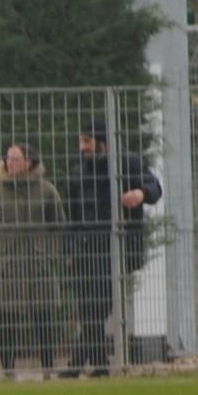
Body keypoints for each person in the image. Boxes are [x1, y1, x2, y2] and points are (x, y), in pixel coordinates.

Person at [61, 127, 159, 377]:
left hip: (117, 249)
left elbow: (154, 186)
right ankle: (100, 364)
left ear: (102, 143)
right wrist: (69, 247)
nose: (82, 147)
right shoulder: (78, 172)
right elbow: (72, 215)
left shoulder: (128, 163)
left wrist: (140, 193)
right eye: (81, 141)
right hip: (85, 250)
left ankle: (75, 364)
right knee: (87, 309)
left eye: (87, 141)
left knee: (97, 307)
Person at [0, 143, 66, 380]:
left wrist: (50, 256)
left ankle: (48, 369)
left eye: (16, 159)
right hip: (8, 268)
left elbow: (58, 226)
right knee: (7, 322)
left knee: (45, 320)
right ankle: (8, 371)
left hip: (40, 267)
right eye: (8, 158)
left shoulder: (47, 190)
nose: (10, 163)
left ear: (29, 162)